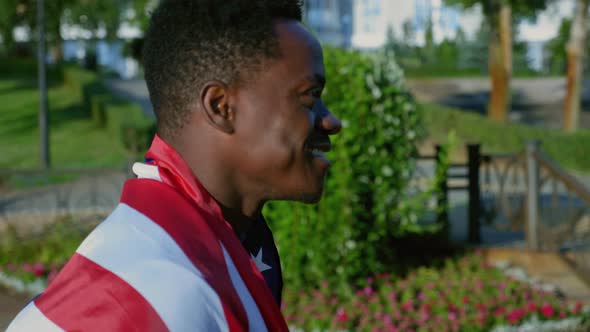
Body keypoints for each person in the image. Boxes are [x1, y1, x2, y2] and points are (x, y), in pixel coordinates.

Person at [6, 0, 341, 331]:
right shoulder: (159, 299)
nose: (331, 121)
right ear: (221, 107)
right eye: (310, 95)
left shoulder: (209, 251)